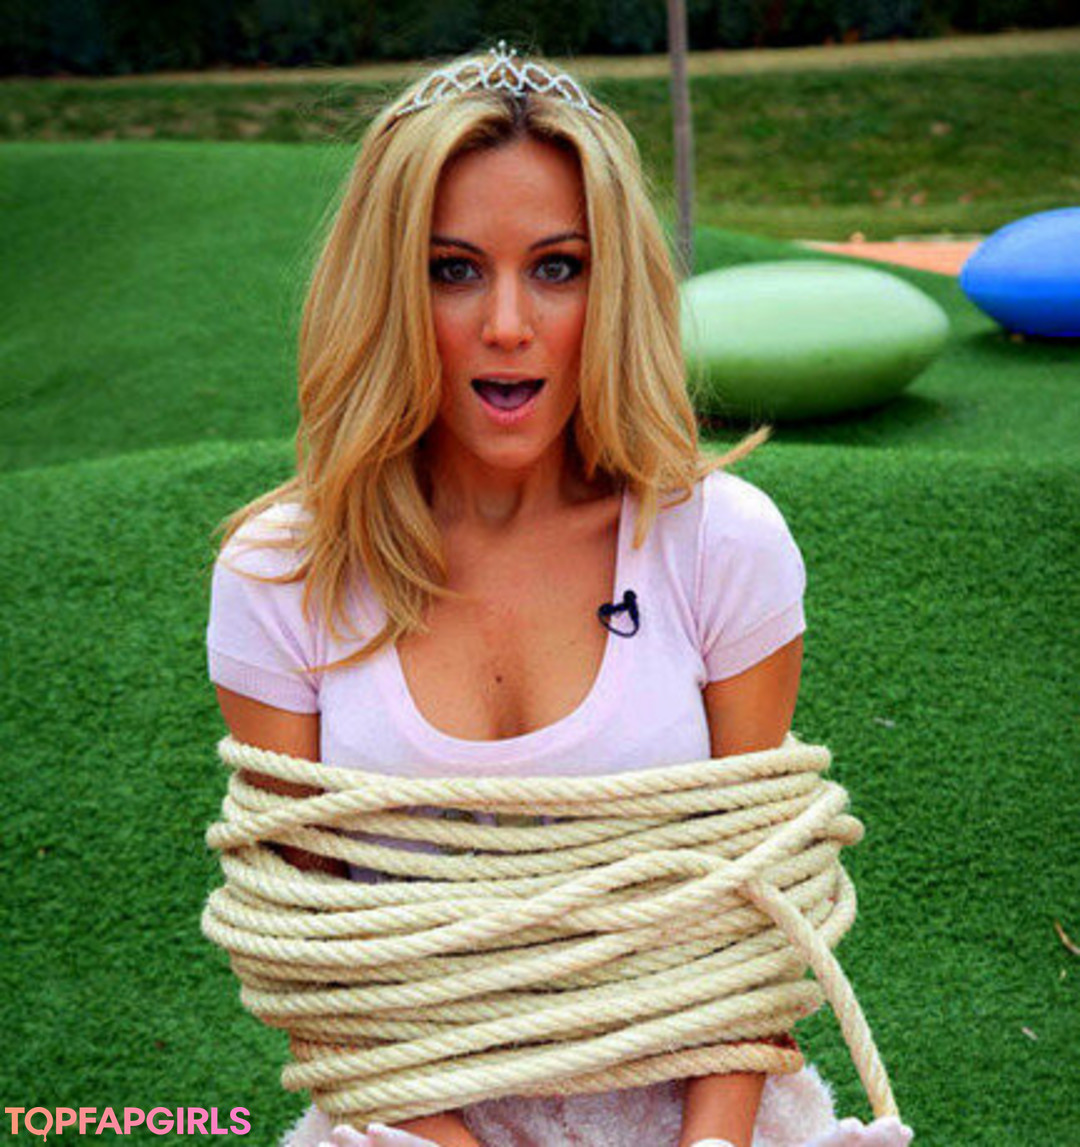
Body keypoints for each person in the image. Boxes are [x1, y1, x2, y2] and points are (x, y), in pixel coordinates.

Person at [205, 42, 912, 1147]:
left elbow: (754, 916)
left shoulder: (722, 545)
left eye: (558, 267)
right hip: (408, 1124)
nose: (506, 324)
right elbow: (319, 969)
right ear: (386, 289)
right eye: (452, 269)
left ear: (613, 284)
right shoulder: (283, 573)